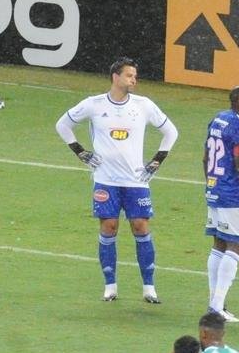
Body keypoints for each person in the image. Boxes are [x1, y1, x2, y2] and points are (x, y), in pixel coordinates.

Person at [55, 57, 179, 303]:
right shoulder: (94, 105)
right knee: (108, 227)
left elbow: (170, 131)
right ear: (115, 77)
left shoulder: (143, 105)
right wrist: (80, 151)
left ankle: (149, 287)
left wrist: (157, 160)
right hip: (105, 180)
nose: (134, 80)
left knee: (141, 227)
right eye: (129, 75)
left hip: (136, 181)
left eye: (135, 76)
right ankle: (110, 286)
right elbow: (63, 124)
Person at [204, 86, 239, 323]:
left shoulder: (217, 119)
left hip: (214, 189)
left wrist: (210, 184)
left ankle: (214, 303)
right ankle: (217, 306)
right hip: (232, 195)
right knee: (237, 246)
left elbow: (206, 157)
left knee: (219, 244)